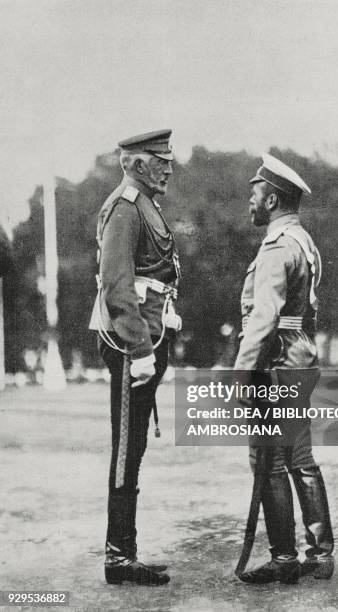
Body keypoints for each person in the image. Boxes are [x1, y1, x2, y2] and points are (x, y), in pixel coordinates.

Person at [234, 153, 334, 584]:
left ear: (272, 199)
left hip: (275, 361)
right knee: (299, 457)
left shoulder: (277, 246)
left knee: (268, 461)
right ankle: (320, 553)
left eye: (255, 195)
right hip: (300, 355)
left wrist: (242, 372)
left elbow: (264, 316)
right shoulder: (304, 241)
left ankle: (284, 557)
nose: (250, 203)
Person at [89, 129, 181, 586]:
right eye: (161, 160)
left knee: (136, 446)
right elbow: (116, 285)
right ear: (138, 164)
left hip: (147, 335)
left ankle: (125, 549)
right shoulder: (126, 207)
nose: (169, 167)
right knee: (127, 448)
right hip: (131, 344)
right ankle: (119, 558)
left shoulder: (146, 204)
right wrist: (141, 348)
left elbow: (154, 273)